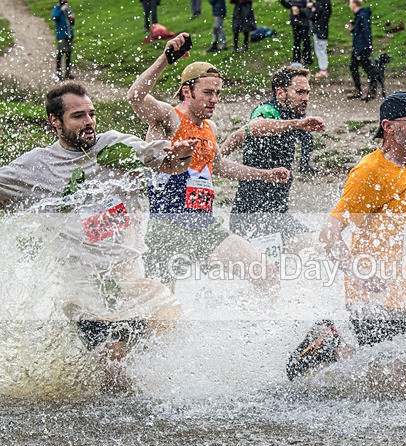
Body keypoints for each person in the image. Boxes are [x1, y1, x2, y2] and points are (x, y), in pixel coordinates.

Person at [0, 82, 196, 392]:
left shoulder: (115, 145)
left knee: (167, 316)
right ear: (55, 121)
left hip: (127, 276)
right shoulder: (38, 164)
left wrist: (183, 156)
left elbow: (170, 164)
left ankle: (96, 387)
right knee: (112, 358)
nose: (89, 122)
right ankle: (110, 422)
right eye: (78, 116)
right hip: (82, 281)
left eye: (91, 114)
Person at [126, 34, 291, 293]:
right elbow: (135, 96)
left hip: (205, 225)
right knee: (163, 308)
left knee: (266, 273)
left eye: (217, 93)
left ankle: (257, 331)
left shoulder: (210, 127)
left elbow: (219, 166)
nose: (214, 99)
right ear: (187, 91)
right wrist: (165, 60)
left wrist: (264, 174)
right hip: (167, 229)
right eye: (208, 92)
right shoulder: (169, 117)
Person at [318, 92, 406, 394]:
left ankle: (334, 344)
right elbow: (328, 235)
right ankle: (329, 346)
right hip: (372, 300)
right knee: (401, 391)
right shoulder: (369, 173)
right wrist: (358, 270)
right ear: (388, 126)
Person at [220, 66, 325, 248]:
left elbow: (239, 134)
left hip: (276, 213)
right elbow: (254, 127)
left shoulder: (291, 115)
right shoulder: (268, 110)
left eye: (307, 92)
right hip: (253, 215)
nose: (305, 98)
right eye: (299, 92)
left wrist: (216, 157)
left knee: (311, 251)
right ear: (280, 93)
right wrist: (297, 124)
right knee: (309, 249)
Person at [346, 0, 376, 101]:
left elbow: (367, 32)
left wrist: (368, 47)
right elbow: (361, 31)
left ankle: (371, 91)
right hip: (358, 47)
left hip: (362, 48)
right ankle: (359, 90)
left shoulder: (362, 15)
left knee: (367, 68)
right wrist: (353, 29)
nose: (349, 5)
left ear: (354, 4)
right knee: (354, 66)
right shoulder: (359, 15)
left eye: (350, 3)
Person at [281, 0, 313, 67]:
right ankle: (296, 59)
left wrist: (299, 10)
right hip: (295, 22)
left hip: (304, 23)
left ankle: (307, 59)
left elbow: (308, 11)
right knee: (296, 41)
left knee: (306, 41)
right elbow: (288, 5)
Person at [51, 0, 75, 81]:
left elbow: (72, 22)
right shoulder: (57, 8)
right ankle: (59, 73)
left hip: (69, 35)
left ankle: (67, 73)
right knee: (60, 54)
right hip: (61, 35)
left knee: (68, 54)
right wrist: (61, 10)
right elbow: (54, 17)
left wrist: (72, 18)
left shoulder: (68, 9)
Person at [308, 0, 331, 78]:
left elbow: (311, 16)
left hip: (319, 31)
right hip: (324, 29)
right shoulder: (327, 3)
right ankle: (323, 69)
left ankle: (323, 70)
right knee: (322, 49)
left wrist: (309, 8)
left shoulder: (318, 4)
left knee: (320, 50)